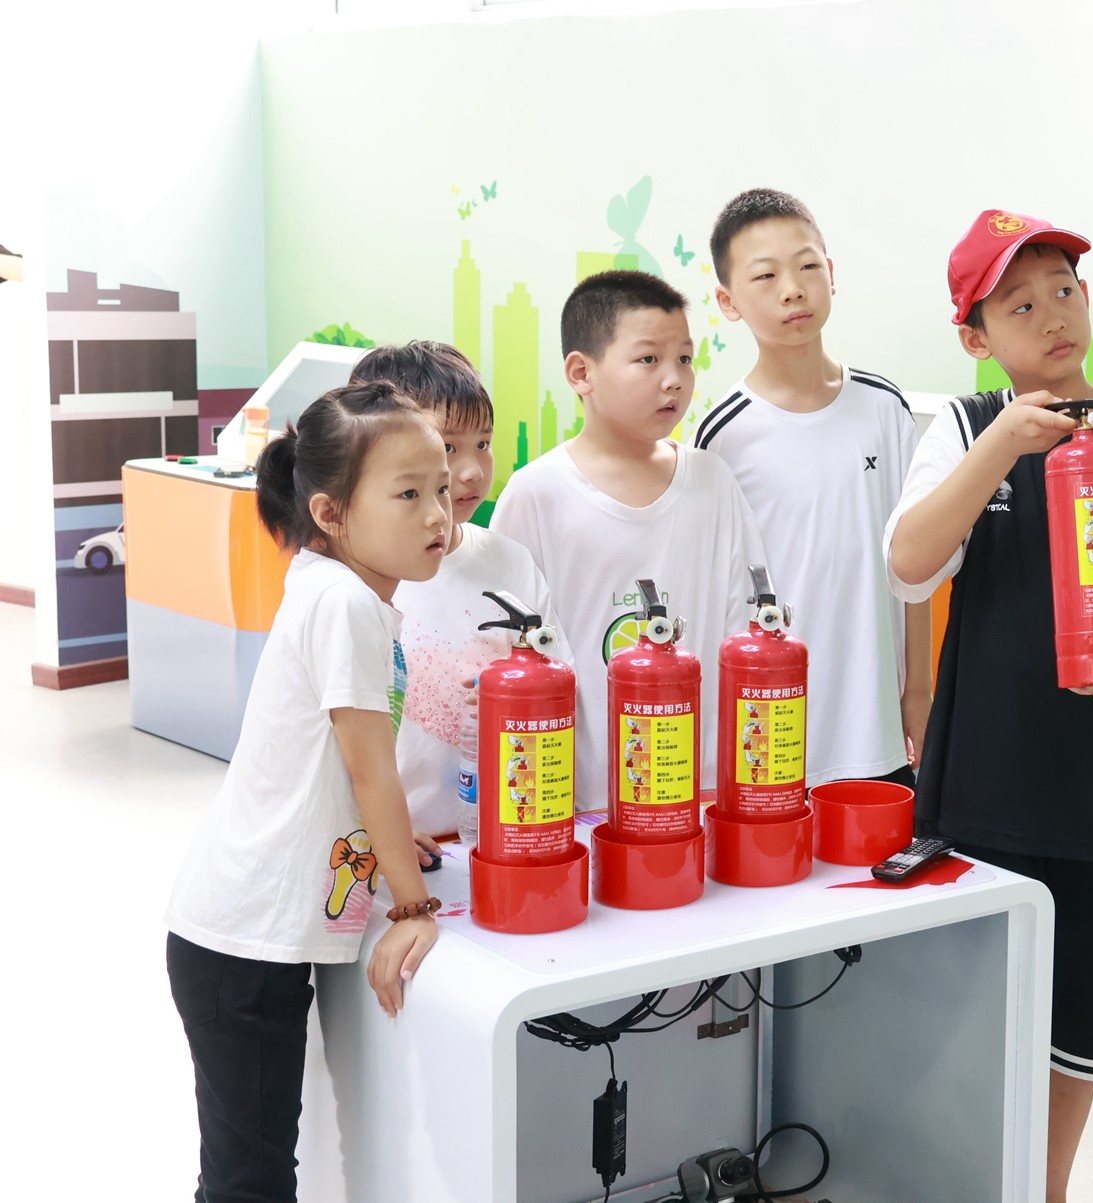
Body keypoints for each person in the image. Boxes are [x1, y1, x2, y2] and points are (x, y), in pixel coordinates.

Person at [885, 209, 1093, 1203]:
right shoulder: (961, 429)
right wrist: (1002, 444)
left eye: (1064, 292)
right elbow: (910, 565)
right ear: (976, 337)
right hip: (983, 777)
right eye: (1020, 305)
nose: (1053, 317)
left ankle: (1047, 1189)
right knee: (967, 1004)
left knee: (1080, 1018)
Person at [165, 381, 453, 1201]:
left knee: (248, 1174)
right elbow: (371, 769)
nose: (438, 514)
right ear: (330, 512)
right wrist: (411, 905)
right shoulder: (347, 603)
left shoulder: (333, 585)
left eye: (440, 488)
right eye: (408, 494)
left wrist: (380, 844)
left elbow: (336, 768)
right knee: (250, 1183)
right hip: (245, 946)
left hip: (246, 934)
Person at [492, 270, 764, 809]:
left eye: (684, 358)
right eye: (649, 359)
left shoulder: (712, 482)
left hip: (699, 792)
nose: (674, 379)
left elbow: (745, 627)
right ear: (581, 373)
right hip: (577, 801)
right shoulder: (536, 494)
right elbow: (508, 652)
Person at [696, 188, 930, 785]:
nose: (792, 290)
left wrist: (918, 691)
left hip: (878, 730)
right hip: (769, 729)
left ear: (830, 273)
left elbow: (915, 569)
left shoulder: (885, 409)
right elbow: (714, 595)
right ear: (728, 302)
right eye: (765, 276)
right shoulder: (722, 436)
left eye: (806, 267)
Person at [349, 341, 562, 843]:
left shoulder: (509, 560)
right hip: (385, 844)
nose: (471, 471)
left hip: (500, 832)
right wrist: (380, 836)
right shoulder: (360, 578)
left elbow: (559, 680)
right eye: (448, 447)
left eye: (483, 443)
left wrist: (518, 694)